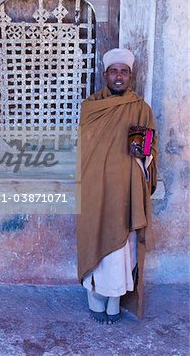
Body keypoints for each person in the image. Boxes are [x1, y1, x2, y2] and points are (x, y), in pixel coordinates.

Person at [76, 48, 157, 324]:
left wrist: (145, 153)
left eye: (124, 71)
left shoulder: (141, 108)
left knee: (124, 248)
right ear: (105, 75)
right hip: (96, 187)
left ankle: (115, 299)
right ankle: (96, 296)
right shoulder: (90, 108)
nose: (119, 76)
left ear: (130, 76)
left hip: (126, 190)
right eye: (114, 71)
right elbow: (85, 150)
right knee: (95, 234)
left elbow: (150, 148)